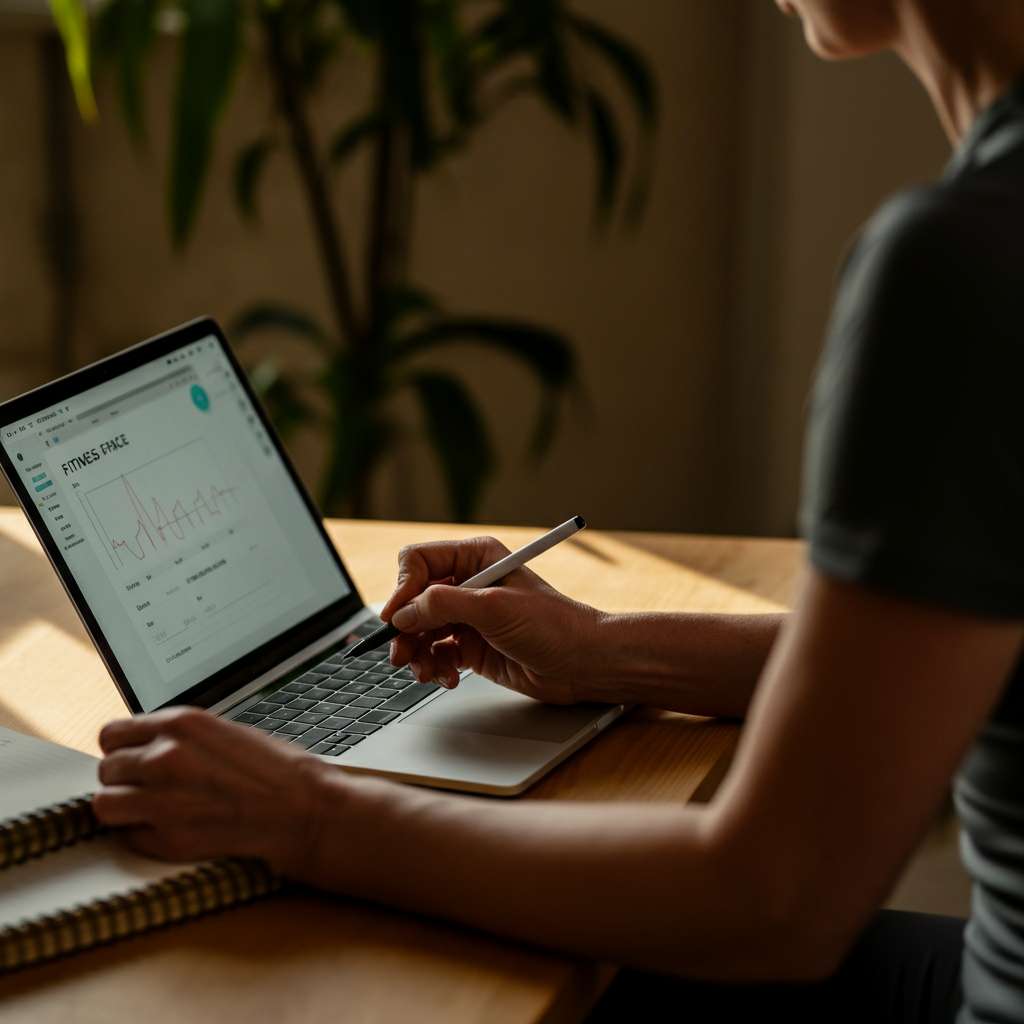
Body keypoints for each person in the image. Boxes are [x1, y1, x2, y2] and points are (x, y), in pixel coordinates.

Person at [91, 1, 1024, 1021]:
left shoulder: (963, 264)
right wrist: (597, 650)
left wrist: (309, 815)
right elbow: (926, 668)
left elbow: (775, 899)